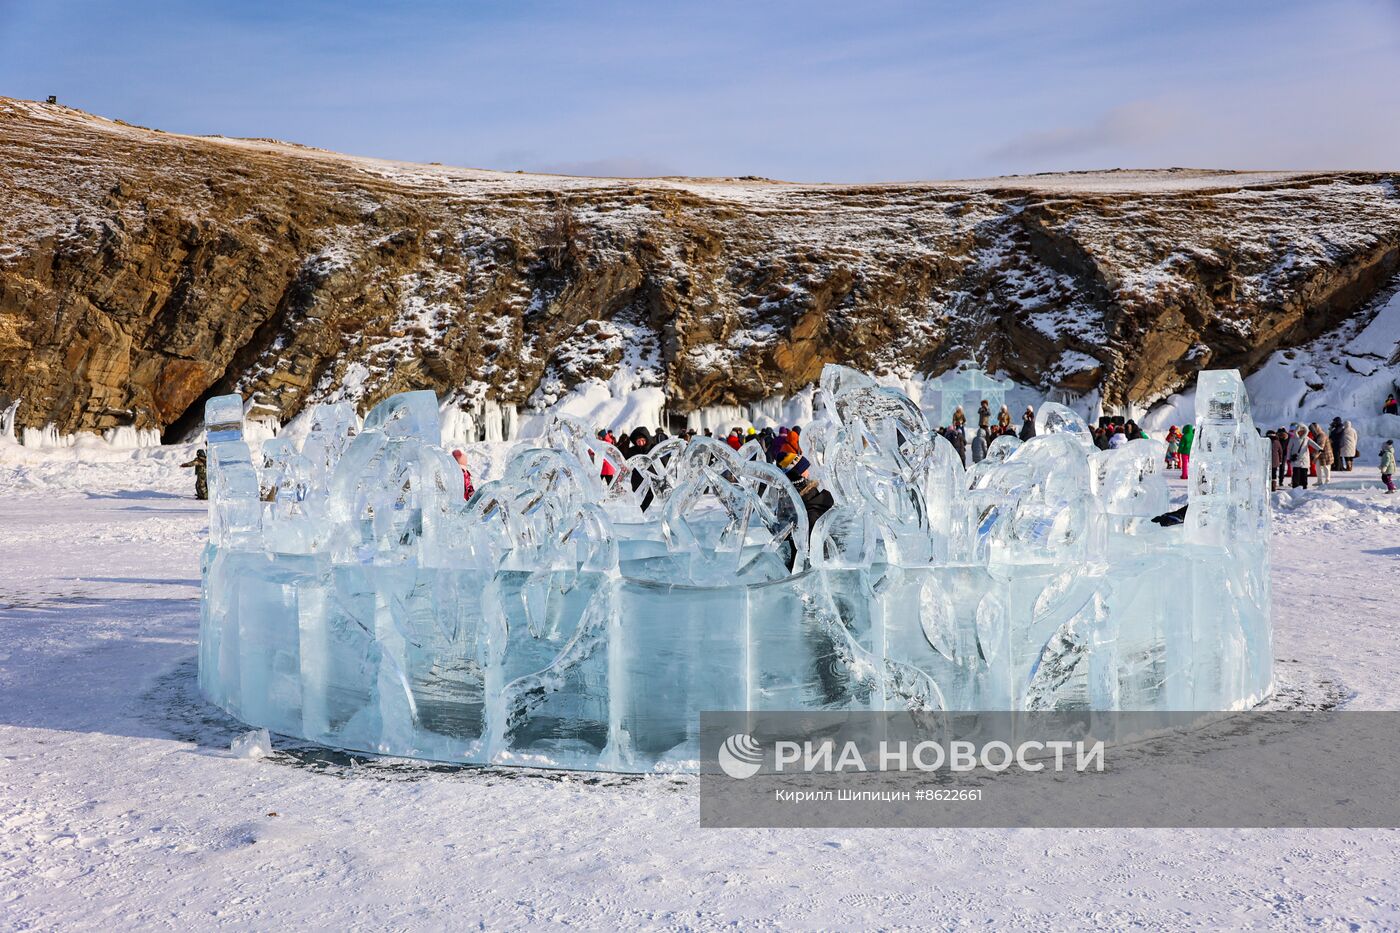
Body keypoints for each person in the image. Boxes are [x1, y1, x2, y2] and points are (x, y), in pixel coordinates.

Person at [778, 452, 834, 531]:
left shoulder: (787, 501)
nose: (808, 471)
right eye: (805, 469)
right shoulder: (813, 497)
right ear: (801, 474)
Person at [1287, 424, 1321, 489]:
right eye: (1299, 431)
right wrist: (1288, 458)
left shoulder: (1307, 439)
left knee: (1304, 474)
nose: (1301, 432)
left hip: (1304, 459)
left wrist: (1319, 448)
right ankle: (1295, 487)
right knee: (1296, 474)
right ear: (1297, 431)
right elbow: (1289, 448)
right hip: (1296, 459)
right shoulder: (1293, 439)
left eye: (1303, 431)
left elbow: (1313, 444)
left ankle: (1304, 487)